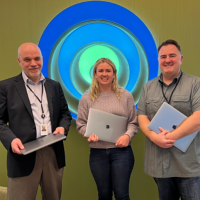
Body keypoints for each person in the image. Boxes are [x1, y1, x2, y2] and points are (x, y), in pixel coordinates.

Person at [0, 43, 72, 200]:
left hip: (52, 152)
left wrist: (62, 128)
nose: (33, 63)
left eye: (37, 59)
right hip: (22, 155)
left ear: (42, 59)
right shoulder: (6, 87)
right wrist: (11, 140)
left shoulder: (54, 86)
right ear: (19, 61)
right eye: (27, 59)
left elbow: (65, 114)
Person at [138, 39, 200, 200]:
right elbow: (142, 117)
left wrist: (169, 137)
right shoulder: (148, 87)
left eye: (172, 55)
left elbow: (198, 117)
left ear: (181, 58)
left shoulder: (195, 84)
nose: (167, 60)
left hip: (188, 164)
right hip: (159, 164)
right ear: (158, 60)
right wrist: (153, 137)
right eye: (163, 56)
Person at [76, 58, 139, 200]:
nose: (105, 74)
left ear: (114, 74)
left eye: (108, 71)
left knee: (122, 195)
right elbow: (81, 124)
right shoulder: (86, 99)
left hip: (122, 152)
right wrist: (88, 134)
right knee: (103, 195)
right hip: (98, 153)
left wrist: (127, 136)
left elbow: (133, 123)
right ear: (95, 74)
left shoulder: (126, 96)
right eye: (101, 71)